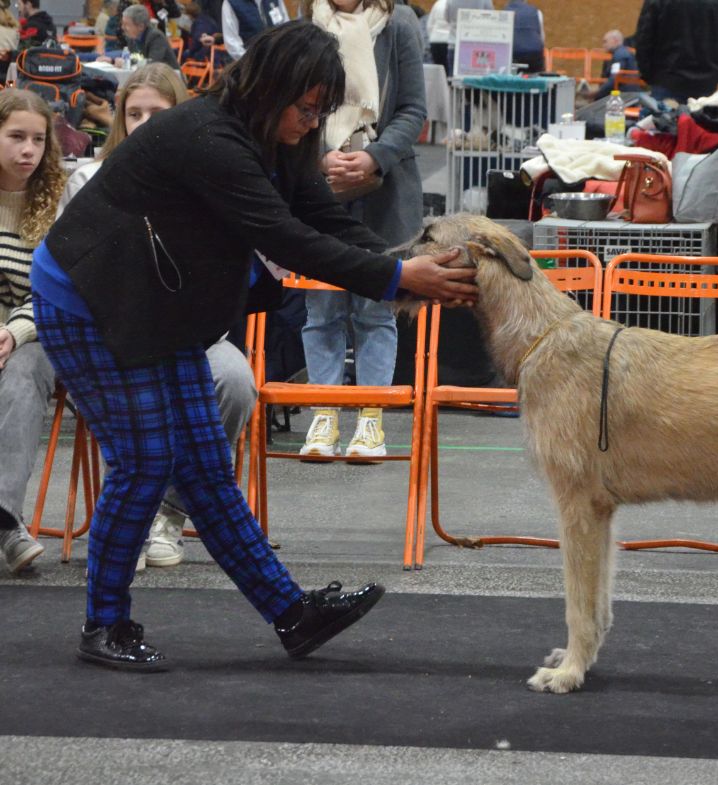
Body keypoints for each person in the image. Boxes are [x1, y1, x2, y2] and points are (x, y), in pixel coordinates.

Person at [30, 20, 476, 670]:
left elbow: (316, 213)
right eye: (307, 107)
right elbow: (284, 237)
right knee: (147, 461)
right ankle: (105, 624)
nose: (311, 122)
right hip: (85, 297)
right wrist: (396, 277)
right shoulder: (209, 137)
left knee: (207, 466)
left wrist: (397, 266)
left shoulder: (278, 133)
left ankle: (293, 615)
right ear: (272, 88)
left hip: (156, 302)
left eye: (321, 110)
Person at [59, 64, 252, 571]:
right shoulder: (86, 178)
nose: (144, 123)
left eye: (157, 113)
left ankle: (170, 515)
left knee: (235, 378)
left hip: (193, 332)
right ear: (119, 118)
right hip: (108, 335)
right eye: (134, 113)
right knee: (131, 394)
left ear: (182, 117)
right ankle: (133, 519)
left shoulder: (211, 180)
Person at [299, 0, 426, 462]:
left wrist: (376, 156)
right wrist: (318, 160)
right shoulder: (304, 23)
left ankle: (370, 419)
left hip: (386, 191)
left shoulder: (400, 23)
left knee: (375, 312)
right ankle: (324, 414)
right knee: (322, 311)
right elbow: (287, 109)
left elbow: (413, 108)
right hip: (319, 186)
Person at [0, 89, 67, 575]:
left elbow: (56, 294)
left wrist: (12, 334)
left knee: (20, 373)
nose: (28, 150)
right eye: (16, 137)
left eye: (38, 140)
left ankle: (3, 516)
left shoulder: (57, 203)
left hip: (41, 334)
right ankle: (10, 532)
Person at [634, 0, 718, 103]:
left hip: (666, 80)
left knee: (663, 118)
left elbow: (644, 39)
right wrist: (716, 72)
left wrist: (649, 75)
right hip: (707, 82)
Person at [110, 4, 181, 69]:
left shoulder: (156, 37)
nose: (122, 27)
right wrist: (112, 61)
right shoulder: (131, 37)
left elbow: (152, 64)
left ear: (141, 26)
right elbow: (132, 59)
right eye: (122, 24)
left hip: (168, 79)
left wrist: (128, 63)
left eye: (126, 24)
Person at [221, 0, 288, 60]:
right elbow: (231, 43)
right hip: (254, 64)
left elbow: (286, 25)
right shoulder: (230, 3)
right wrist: (251, 62)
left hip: (280, 58)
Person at [444, 0, 492, 73]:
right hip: (477, 46)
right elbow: (491, 18)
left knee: (453, 80)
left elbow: (447, 18)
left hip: (454, 43)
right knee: (476, 79)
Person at [590, 28, 638, 101]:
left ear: (615, 41)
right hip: (627, 95)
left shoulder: (620, 56)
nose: (603, 45)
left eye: (605, 42)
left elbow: (614, 79)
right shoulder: (621, 53)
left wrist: (597, 93)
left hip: (624, 97)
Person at [505, 0, 543, 74]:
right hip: (534, 55)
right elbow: (541, 38)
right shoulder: (537, 12)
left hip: (513, 55)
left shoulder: (505, 12)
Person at [425, 0, 449, 71]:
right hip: (450, 41)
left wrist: (431, 37)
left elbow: (429, 25)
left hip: (435, 40)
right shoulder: (454, 3)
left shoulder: (438, 3)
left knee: (439, 70)